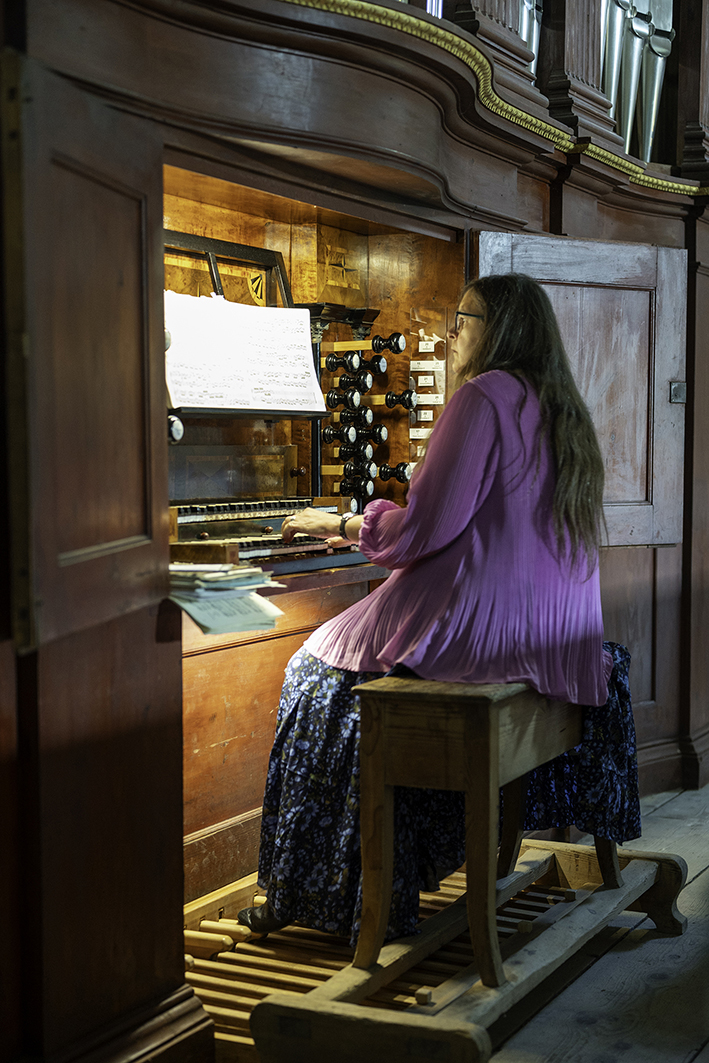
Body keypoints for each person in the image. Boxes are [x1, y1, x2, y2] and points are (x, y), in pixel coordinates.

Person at [238, 273, 640, 943]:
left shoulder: (482, 397)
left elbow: (423, 531)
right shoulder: (555, 399)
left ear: (499, 330)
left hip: (485, 629)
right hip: (551, 629)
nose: (452, 333)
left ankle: (315, 892)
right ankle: (402, 864)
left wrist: (339, 522)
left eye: (463, 319)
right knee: (340, 667)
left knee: (311, 674)